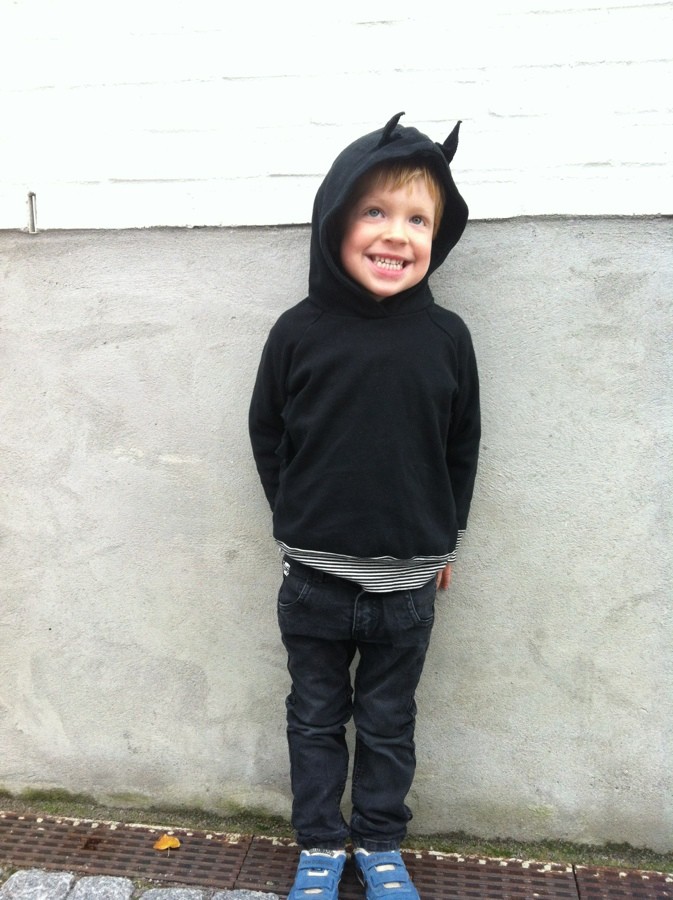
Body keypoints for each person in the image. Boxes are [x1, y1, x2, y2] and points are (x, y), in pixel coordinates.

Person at [248, 112, 480, 900]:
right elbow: (268, 432)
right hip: (313, 581)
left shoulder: (446, 338)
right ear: (334, 220)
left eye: (418, 219)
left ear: (438, 237)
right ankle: (320, 843)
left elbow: (460, 446)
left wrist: (445, 540)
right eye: (374, 211)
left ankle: (379, 842)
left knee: (387, 724)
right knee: (314, 718)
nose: (395, 234)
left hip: (408, 588)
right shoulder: (297, 332)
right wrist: (295, 518)